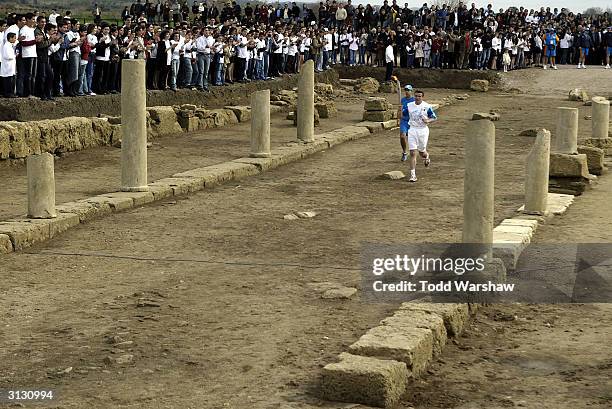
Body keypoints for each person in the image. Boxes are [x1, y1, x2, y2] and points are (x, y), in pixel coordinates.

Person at [406, 90, 437, 182]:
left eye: (419, 96)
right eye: (416, 96)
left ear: (422, 97)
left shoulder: (427, 106)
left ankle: (427, 156)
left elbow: (434, 117)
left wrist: (428, 121)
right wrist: (400, 110)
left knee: (421, 153)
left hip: (423, 130)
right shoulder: (409, 105)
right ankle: (413, 175)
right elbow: (403, 115)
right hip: (412, 129)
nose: (417, 98)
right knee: (412, 153)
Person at [397, 84, 414, 161]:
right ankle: (404, 152)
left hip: (412, 121)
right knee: (402, 136)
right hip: (404, 121)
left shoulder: (414, 100)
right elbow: (400, 110)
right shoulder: (402, 100)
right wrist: (398, 118)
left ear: (411, 91)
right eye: (406, 90)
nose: (407, 92)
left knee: (412, 139)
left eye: (408, 90)